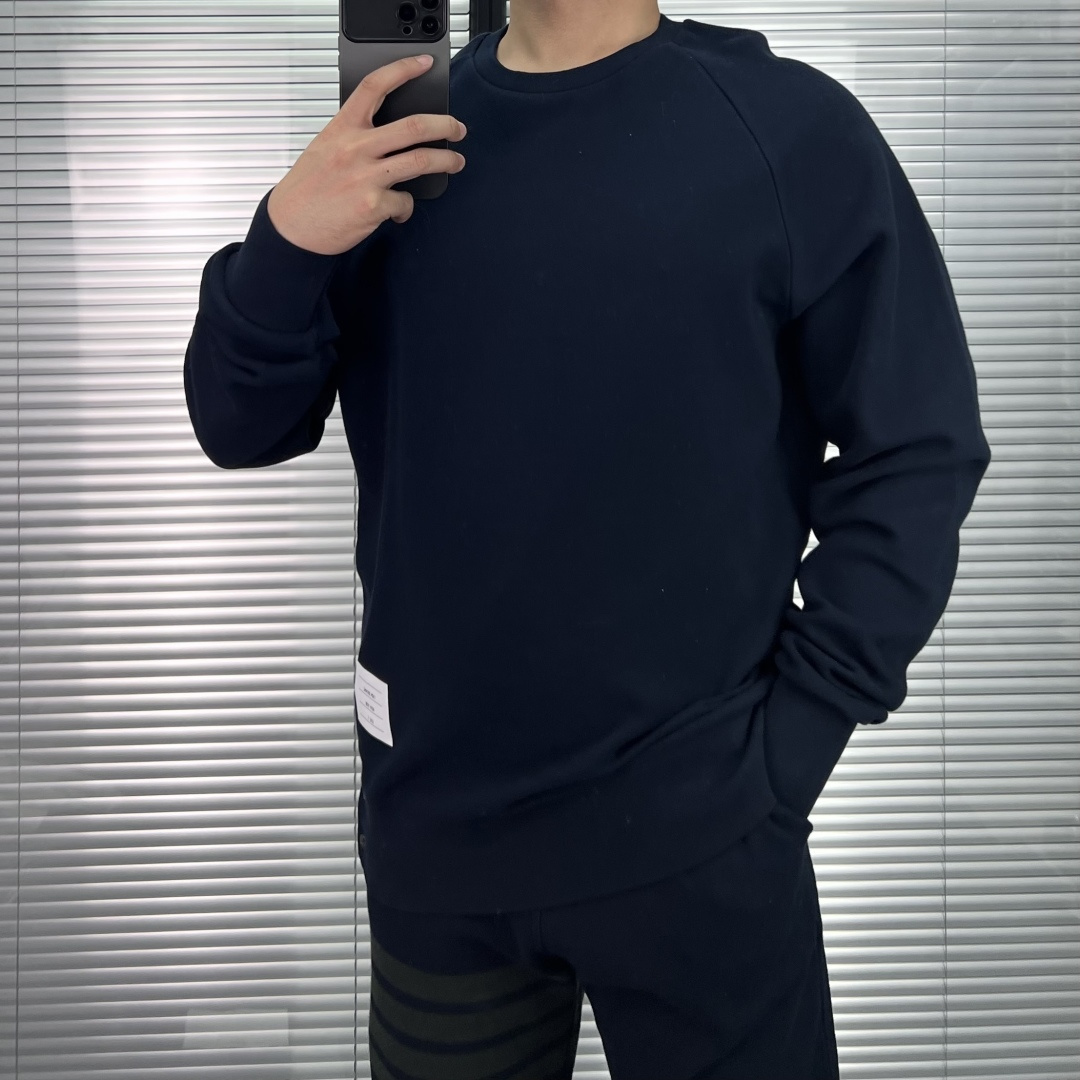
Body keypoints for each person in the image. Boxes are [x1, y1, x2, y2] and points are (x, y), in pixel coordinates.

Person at [183, 1, 992, 1076]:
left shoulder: (787, 130)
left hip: (698, 847)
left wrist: (795, 739)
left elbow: (919, 447)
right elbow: (240, 426)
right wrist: (285, 239)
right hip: (440, 856)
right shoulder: (396, 142)